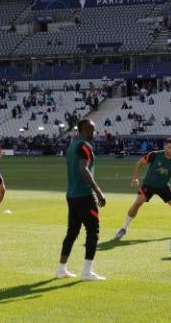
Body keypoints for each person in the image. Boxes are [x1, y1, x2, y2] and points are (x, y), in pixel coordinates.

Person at [57, 119, 107, 282]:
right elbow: (83, 169)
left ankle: (61, 269)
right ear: (84, 130)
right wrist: (98, 191)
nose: (94, 132)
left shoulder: (72, 146)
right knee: (93, 231)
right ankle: (87, 272)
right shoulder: (84, 146)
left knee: (72, 232)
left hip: (72, 195)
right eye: (92, 129)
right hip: (84, 195)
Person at [115, 137, 171, 240]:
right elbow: (140, 163)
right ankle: (123, 228)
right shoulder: (155, 155)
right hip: (148, 185)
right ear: (165, 147)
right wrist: (134, 178)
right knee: (137, 203)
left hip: (163, 187)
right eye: (169, 147)